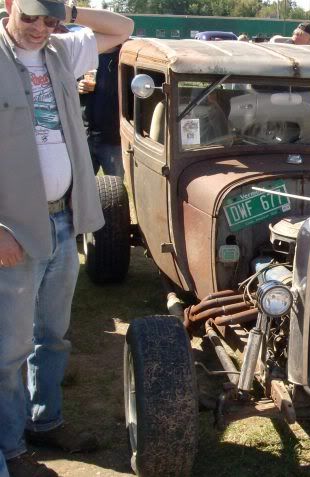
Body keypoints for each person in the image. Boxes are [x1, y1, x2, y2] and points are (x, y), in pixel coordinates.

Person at [0, 1, 133, 476]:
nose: (39, 29)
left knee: (52, 337)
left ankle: (45, 420)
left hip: (63, 220)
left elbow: (123, 27)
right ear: (9, 6)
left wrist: (70, 10)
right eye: (29, 17)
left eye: (49, 19)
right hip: (14, 229)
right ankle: (11, 445)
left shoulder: (60, 49)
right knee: (8, 348)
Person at [78, 45, 123, 177]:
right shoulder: (86, 56)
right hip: (85, 134)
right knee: (83, 186)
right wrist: (78, 85)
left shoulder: (123, 58)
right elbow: (68, 82)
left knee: (116, 185)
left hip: (113, 138)